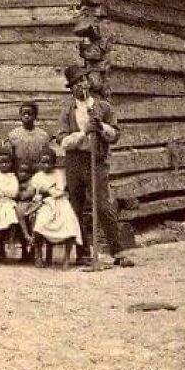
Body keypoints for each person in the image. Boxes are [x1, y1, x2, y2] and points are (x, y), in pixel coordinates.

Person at [56, 65, 134, 268]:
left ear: (88, 83)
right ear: (71, 88)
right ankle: (83, 253)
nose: (80, 86)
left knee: (103, 205)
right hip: (75, 162)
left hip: (97, 161)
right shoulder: (67, 110)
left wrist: (101, 127)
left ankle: (118, 252)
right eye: (75, 84)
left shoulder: (103, 107)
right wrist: (83, 133)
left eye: (82, 81)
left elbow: (116, 135)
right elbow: (62, 141)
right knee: (76, 207)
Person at [31, 147, 82, 269]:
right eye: (43, 163)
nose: (46, 166)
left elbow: (59, 192)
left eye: (49, 163)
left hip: (61, 203)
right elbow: (37, 194)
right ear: (39, 163)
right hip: (45, 203)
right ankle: (38, 255)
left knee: (69, 223)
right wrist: (44, 193)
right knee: (40, 223)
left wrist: (47, 191)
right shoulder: (37, 176)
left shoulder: (59, 174)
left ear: (54, 163)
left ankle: (67, 258)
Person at [8, 102, 50, 170]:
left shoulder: (43, 135)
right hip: (19, 169)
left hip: (37, 169)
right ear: (20, 116)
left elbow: (45, 156)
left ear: (35, 116)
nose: (26, 116)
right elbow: (10, 157)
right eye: (24, 114)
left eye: (29, 114)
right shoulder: (13, 135)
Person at [12, 159, 39, 261]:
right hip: (19, 207)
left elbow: (25, 195)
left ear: (31, 174)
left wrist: (19, 193)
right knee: (18, 213)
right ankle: (24, 249)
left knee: (33, 217)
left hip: (31, 204)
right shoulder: (15, 181)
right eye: (21, 171)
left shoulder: (32, 182)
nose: (23, 174)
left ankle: (32, 248)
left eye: (26, 172)